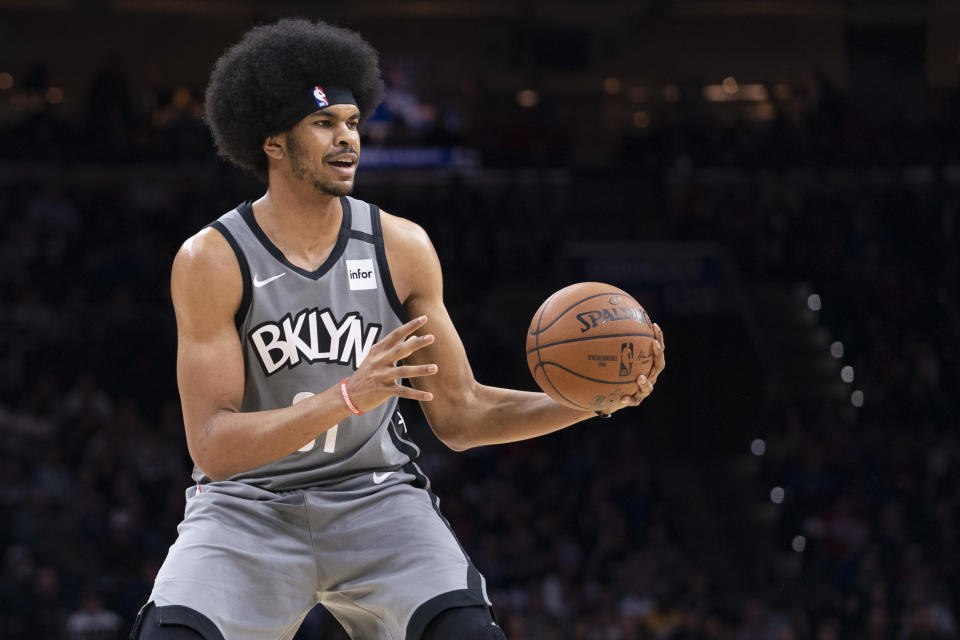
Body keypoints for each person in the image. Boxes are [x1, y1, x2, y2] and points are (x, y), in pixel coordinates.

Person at [131, 17, 666, 640]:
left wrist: (591, 400)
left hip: (376, 499)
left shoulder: (402, 246)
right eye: (324, 124)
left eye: (354, 123)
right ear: (272, 142)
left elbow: (462, 416)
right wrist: (349, 397)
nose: (347, 139)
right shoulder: (211, 260)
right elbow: (214, 448)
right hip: (245, 509)